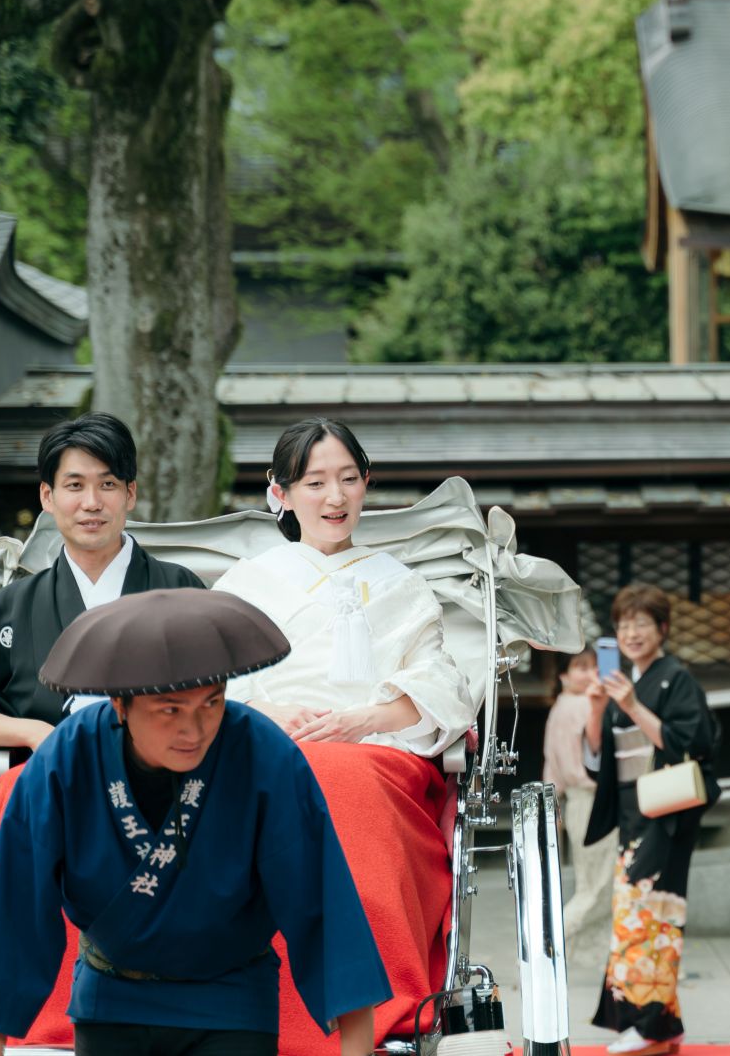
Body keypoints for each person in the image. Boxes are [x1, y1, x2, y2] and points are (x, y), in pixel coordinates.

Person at [0, 589, 389, 1056]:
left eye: (210, 704)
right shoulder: (66, 761)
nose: (193, 731)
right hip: (113, 1000)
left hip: (231, 999)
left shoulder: (263, 754)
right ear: (119, 705)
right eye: (170, 710)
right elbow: (8, 921)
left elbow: (324, 910)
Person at [212, 416, 477, 1053]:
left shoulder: (402, 585)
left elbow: (440, 684)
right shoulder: (246, 583)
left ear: (366, 484)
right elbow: (213, 683)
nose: (335, 497)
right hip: (264, 742)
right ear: (280, 493)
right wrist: (271, 719)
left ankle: (372, 1008)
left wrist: (366, 718)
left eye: (348, 479)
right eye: (315, 482)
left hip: (377, 751)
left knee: (342, 776)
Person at [0, 413, 202, 825]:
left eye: (107, 484)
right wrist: (32, 733)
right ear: (47, 497)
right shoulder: (11, 608)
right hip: (49, 791)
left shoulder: (180, 590)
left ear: (130, 493)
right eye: (74, 485)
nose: (91, 502)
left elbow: (224, 697)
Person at [583, 583, 720, 1056]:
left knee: (650, 913)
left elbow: (690, 743)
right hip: (632, 812)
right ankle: (664, 1022)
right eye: (623, 625)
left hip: (666, 813)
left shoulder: (676, 679)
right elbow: (597, 762)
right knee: (638, 912)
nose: (631, 632)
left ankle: (649, 1025)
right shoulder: (626, 682)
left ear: (662, 628)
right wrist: (600, 706)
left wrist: (631, 706)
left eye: (642, 623)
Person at [544, 649, 619, 962]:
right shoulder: (585, 704)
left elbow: (550, 763)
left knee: (592, 882)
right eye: (581, 667)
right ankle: (548, 941)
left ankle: (591, 953)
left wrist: (553, 806)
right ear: (564, 674)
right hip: (594, 800)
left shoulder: (559, 707)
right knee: (599, 888)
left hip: (575, 803)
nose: (591, 673)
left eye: (596, 667)